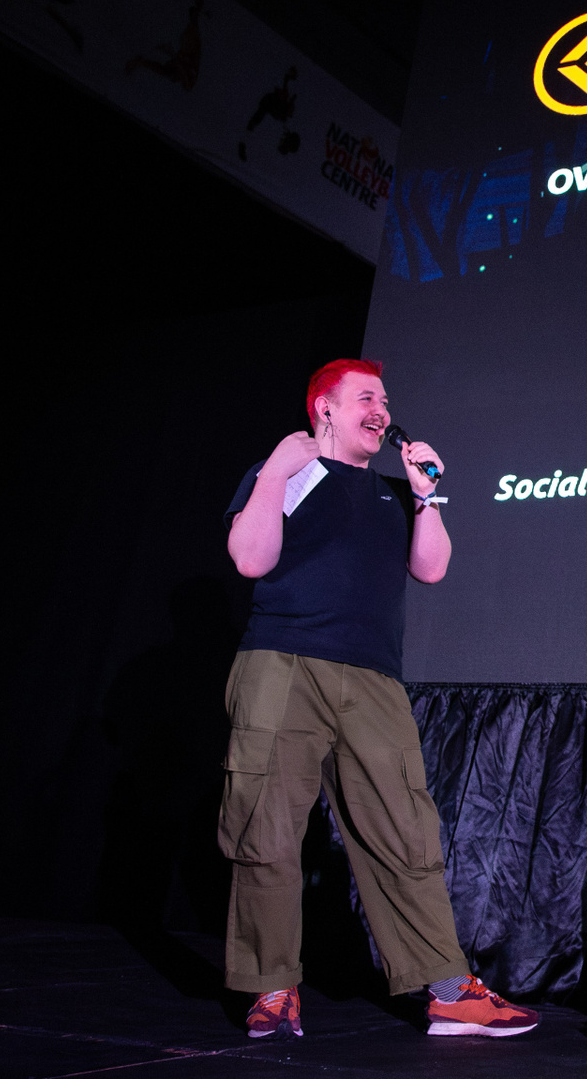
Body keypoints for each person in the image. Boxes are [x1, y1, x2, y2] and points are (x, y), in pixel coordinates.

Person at [220, 359, 538, 1040]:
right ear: (325, 409)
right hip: (283, 665)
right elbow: (250, 559)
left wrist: (427, 495)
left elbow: (432, 568)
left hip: (373, 680)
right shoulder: (286, 473)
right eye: (366, 397)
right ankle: (272, 988)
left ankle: (448, 992)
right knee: (265, 829)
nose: (383, 411)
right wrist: (274, 472)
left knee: (405, 830)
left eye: (386, 400)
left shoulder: (395, 493)